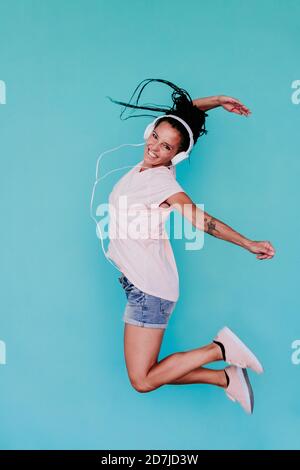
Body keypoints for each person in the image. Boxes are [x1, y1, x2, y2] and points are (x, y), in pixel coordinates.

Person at [105, 78, 275, 414]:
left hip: (149, 288)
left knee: (141, 380)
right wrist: (217, 100)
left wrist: (246, 242)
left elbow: (201, 221)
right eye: (156, 137)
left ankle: (219, 350)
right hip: (141, 284)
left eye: (166, 147)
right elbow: (182, 116)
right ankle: (227, 379)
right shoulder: (144, 168)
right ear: (150, 132)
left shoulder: (161, 182)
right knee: (148, 374)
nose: (155, 147)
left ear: (177, 156)